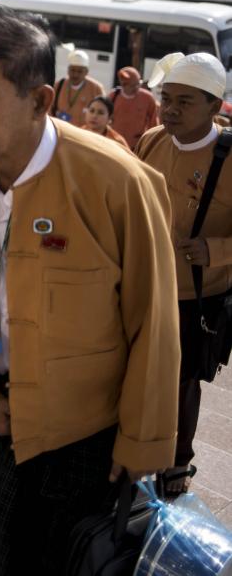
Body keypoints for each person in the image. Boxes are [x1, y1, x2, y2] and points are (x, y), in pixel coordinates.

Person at [0, 7, 179, 576]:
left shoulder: (117, 182)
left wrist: (141, 446)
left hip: (91, 439)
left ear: (40, 100)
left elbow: (153, 323)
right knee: (4, 554)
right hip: (0, 418)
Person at [136, 51, 232, 497]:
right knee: (137, 369)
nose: (169, 109)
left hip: (197, 295)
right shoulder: (152, 140)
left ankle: (178, 461)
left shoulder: (228, 158)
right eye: (166, 97)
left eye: (184, 101)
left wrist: (214, 250)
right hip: (145, 282)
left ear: (215, 107)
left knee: (183, 380)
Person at [110, 66, 159, 149]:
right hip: (115, 144)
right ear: (123, 85)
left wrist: (152, 142)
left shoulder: (147, 98)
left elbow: (153, 122)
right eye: (133, 85)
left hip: (137, 146)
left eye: (138, 84)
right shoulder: (112, 97)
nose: (137, 88)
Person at [51, 49, 104, 125]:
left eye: (79, 71)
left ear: (86, 72)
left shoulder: (96, 89)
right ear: (68, 70)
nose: (75, 75)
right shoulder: (58, 85)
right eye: (72, 70)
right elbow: (49, 109)